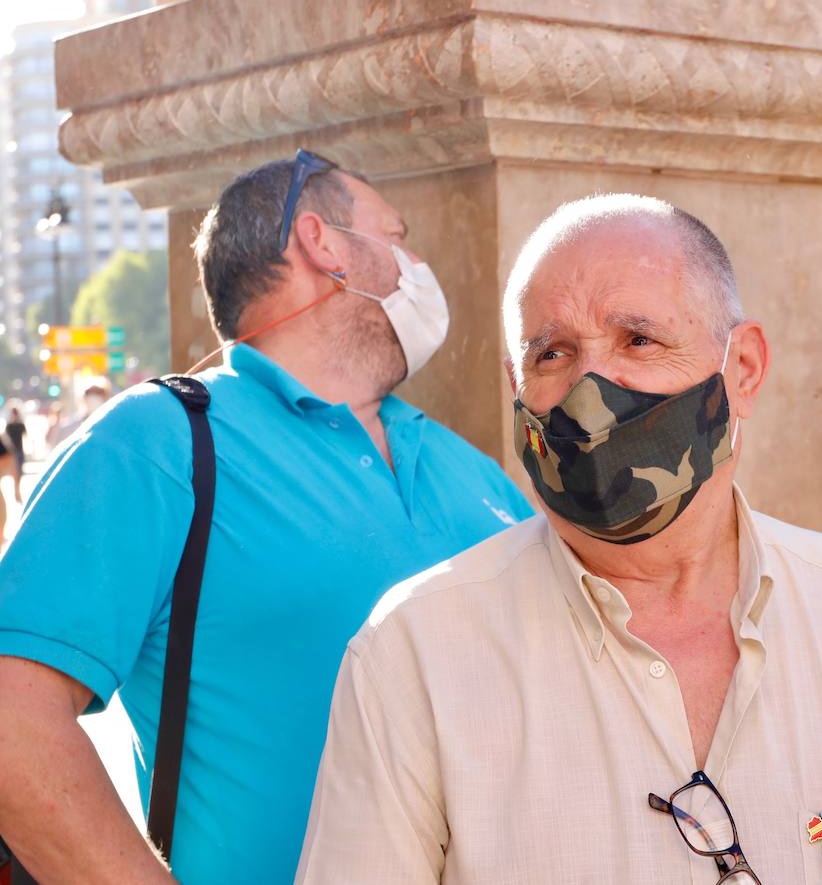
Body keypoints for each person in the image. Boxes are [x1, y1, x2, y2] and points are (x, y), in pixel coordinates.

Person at [295, 194, 822, 884]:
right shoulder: (416, 655)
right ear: (517, 391)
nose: (589, 391)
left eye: (638, 340)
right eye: (552, 353)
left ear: (741, 368)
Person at [0, 152, 533, 885]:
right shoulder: (161, 439)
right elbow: (12, 715)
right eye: (396, 236)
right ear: (324, 243)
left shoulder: (470, 467)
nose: (415, 263)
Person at [6, 405, 26, 504]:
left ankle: (17, 491)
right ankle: (17, 492)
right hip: (13, 452)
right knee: (15, 473)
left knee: (20, 472)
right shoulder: (9, 426)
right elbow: (6, 440)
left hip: (20, 451)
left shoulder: (21, 425)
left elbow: (26, 436)